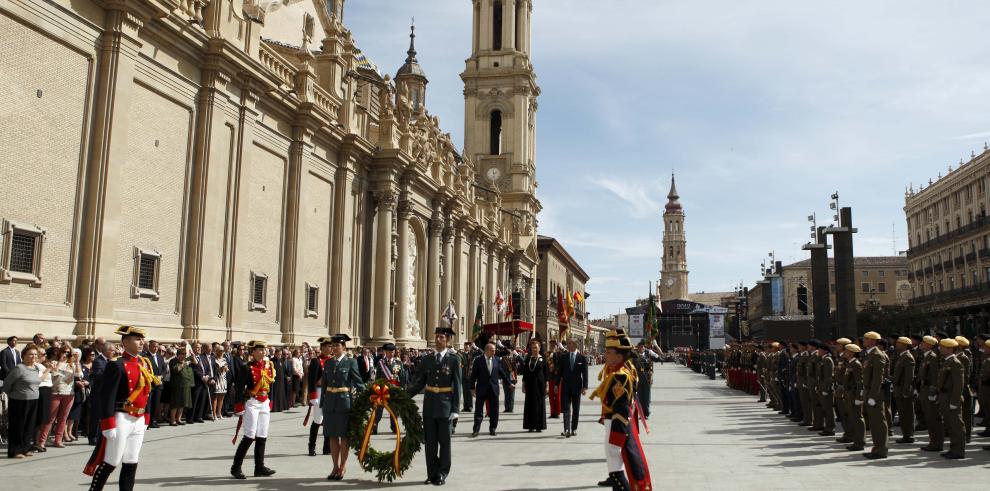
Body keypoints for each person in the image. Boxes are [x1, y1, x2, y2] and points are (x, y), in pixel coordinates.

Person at [84, 325, 161, 491]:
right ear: (125, 342)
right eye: (137, 339)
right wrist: (108, 423)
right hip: (122, 418)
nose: (142, 343)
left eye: (142, 340)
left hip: (138, 419)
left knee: (131, 461)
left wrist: (146, 416)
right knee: (112, 460)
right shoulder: (117, 365)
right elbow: (107, 396)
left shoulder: (144, 363)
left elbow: (147, 392)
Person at [590, 329, 651, 491]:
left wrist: (616, 439)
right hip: (611, 423)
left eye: (609, 352)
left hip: (617, 426)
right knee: (615, 469)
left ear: (619, 356)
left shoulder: (621, 376)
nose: (606, 354)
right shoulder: (615, 373)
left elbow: (622, 409)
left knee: (618, 473)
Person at [408, 327, 462, 486]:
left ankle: (442, 473)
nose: (438, 340)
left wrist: (456, 410)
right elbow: (419, 383)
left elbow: (457, 385)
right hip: (430, 406)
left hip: (446, 406)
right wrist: (403, 396)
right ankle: (431, 473)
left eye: (441, 338)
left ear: (447, 340)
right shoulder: (427, 359)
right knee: (430, 443)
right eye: (437, 337)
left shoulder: (454, 359)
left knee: (444, 443)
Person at [230, 340, 276, 480]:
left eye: (264, 350)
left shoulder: (268, 366)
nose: (263, 352)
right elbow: (238, 388)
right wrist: (238, 406)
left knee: (262, 435)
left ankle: (259, 467)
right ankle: (236, 468)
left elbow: (270, 384)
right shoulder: (246, 367)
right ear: (253, 352)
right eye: (260, 350)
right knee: (249, 436)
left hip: (264, 402)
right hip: (252, 402)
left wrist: (270, 401)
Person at [319, 334, 363, 480]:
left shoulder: (351, 362)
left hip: (344, 403)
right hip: (330, 403)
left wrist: (371, 394)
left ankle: (342, 466)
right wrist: (322, 403)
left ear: (344, 347)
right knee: (332, 436)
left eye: (338, 345)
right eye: (333, 346)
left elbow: (358, 381)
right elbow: (325, 384)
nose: (335, 348)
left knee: (344, 437)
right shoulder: (329, 363)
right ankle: (334, 467)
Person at [2, 343, 42, 458]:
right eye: (30, 354)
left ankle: (25, 448)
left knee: (29, 426)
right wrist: (14, 395)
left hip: (34, 400)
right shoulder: (19, 368)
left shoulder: (35, 368)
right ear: (23, 356)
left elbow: (37, 382)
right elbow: (7, 384)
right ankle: (15, 451)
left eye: (35, 354)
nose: (33, 356)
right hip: (19, 401)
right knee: (18, 427)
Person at [38, 345, 80, 448]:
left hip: (69, 394)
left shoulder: (72, 365)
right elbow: (54, 374)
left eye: (68, 352)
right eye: (64, 352)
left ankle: (58, 440)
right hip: (55, 393)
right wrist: (60, 362)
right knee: (50, 418)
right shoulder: (53, 363)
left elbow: (78, 374)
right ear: (59, 352)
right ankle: (42, 441)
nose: (66, 354)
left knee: (63, 418)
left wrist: (77, 361)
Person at [469, 342, 512, 437]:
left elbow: (502, 373)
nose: (494, 352)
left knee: (494, 410)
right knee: (478, 410)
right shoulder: (478, 360)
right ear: (487, 350)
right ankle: (476, 429)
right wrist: (472, 388)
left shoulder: (497, 360)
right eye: (492, 350)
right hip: (481, 388)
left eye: (495, 350)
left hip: (494, 388)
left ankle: (493, 428)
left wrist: (509, 383)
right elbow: (473, 376)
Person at [861, 331, 889, 459]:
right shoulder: (869, 354)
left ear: (873, 341)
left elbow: (878, 378)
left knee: (878, 422)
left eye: (866, 339)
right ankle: (876, 447)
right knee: (873, 422)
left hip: (875, 394)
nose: (864, 341)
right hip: (869, 391)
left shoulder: (877, 355)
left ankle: (881, 449)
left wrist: (872, 396)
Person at [305, 337, 333, 456]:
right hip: (320, 391)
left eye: (331, 346)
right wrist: (313, 396)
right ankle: (312, 447)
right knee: (317, 420)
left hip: (330, 392)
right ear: (321, 348)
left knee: (328, 421)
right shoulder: (316, 361)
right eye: (327, 346)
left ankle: (327, 447)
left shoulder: (333, 360)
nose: (329, 348)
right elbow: (311, 380)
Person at [555, 338, 588, 438]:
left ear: (575, 345)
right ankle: (566, 429)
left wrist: (585, 387)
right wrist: (556, 384)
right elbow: (559, 372)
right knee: (566, 408)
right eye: (567, 344)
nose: (567, 346)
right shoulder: (564, 357)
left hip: (577, 388)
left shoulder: (582, 358)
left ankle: (573, 429)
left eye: (569, 344)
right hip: (565, 387)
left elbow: (585, 373)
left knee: (576, 409)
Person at [374, 342, 407, 434]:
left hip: (394, 390)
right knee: (379, 410)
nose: (391, 354)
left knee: (394, 410)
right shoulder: (380, 363)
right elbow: (377, 377)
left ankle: (394, 427)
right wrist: (376, 388)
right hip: (383, 390)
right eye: (389, 352)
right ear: (385, 352)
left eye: (392, 352)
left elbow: (402, 377)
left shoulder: (398, 362)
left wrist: (402, 388)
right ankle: (374, 427)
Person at [891, 336, 915, 444]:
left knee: (907, 414)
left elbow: (909, 377)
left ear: (905, 345)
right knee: (902, 413)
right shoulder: (901, 357)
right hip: (898, 389)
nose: (897, 345)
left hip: (903, 390)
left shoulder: (908, 357)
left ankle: (909, 435)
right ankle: (906, 434)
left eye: (899, 343)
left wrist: (906, 391)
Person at [842, 343, 866, 451]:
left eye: (846, 351)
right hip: (849, 394)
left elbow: (860, 382)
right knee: (852, 418)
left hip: (854, 395)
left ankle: (860, 442)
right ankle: (855, 440)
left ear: (852, 353)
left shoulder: (856, 364)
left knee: (857, 419)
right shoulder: (850, 363)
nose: (844, 353)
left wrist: (859, 397)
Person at [520, 340, 548, 432]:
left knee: (539, 404)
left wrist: (547, 385)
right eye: (532, 348)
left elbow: (546, 373)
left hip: (540, 384)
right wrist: (523, 384)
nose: (534, 349)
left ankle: (539, 426)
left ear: (539, 348)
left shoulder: (543, 358)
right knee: (530, 404)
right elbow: (525, 372)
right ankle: (530, 425)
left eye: (536, 347)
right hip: (530, 384)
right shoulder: (528, 358)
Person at [168, 348, 194, 425]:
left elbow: (195, 362)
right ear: (178, 354)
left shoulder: (185, 360)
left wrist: (192, 355)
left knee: (182, 403)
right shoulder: (173, 361)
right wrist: (183, 364)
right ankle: (172, 420)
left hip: (185, 385)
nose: (184, 356)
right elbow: (176, 370)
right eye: (182, 354)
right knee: (175, 403)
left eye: (185, 354)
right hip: (176, 385)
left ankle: (178, 419)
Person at [142, 340, 165, 428]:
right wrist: (153, 377)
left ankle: (153, 420)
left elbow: (163, 369)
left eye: (157, 347)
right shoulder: (145, 357)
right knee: (148, 403)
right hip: (150, 383)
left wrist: (161, 376)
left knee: (156, 403)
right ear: (149, 347)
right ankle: (146, 422)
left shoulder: (160, 357)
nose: (155, 348)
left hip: (159, 384)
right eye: (153, 346)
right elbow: (144, 370)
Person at [213, 346, 229, 420]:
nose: (222, 352)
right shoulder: (214, 359)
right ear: (217, 351)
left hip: (223, 379)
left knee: (222, 397)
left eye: (223, 350)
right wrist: (220, 369)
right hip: (217, 379)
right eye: (220, 350)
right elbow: (214, 369)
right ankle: (214, 414)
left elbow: (227, 369)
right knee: (215, 397)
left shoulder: (224, 359)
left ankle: (219, 413)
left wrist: (226, 369)